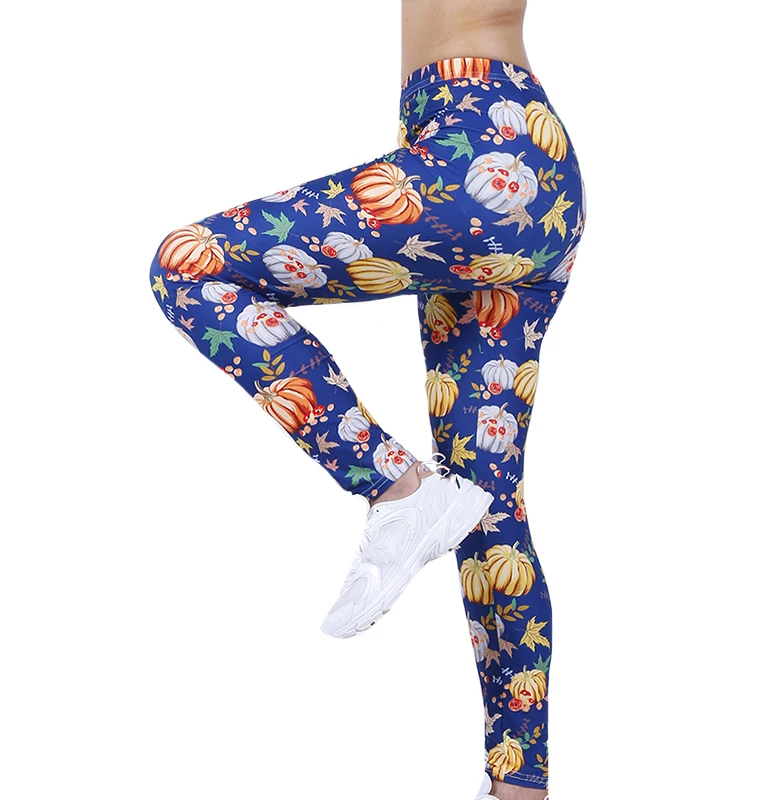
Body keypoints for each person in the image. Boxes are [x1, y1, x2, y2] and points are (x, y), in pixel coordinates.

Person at [147, 1, 585, 796]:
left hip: (482, 145)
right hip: (514, 160)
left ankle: (395, 484)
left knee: (189, 265)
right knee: (485, 505)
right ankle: (520, 785)